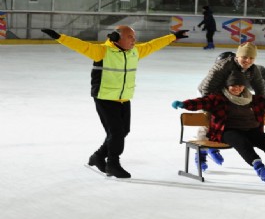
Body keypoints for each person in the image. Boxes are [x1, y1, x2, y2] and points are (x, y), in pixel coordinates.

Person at [41, 25, 188, 178]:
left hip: (124, 98)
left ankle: (98, 156)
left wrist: (173, 37)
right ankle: (113, 163)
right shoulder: (102, 52)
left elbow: (153, 45)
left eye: (134, 37)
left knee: (122, 131)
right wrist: (59, 37)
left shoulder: (135, 52)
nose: (134, 40)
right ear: (117, 38)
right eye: (130, 37)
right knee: (116, 132)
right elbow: (80, 45)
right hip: (105, 98)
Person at [172, 71, 265, 183]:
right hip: (227, 131)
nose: (237, 88)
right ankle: (260, 168)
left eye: (240, 85)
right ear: (227, 86)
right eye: (233, 85)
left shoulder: (252, 99)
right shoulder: (218, 98)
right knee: (242, 142)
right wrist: (183, 104)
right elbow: (201, 102)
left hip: (251, 129)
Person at [194, 42, 265, 171]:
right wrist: (208, 108)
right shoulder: (222, 67)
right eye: (244, 57)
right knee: (208, 122)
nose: (247, 60)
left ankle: (213, 146)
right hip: (211, 94)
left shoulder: (250, 69)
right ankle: (202, 153)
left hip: (231, 95)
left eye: (251, 58)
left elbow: (260, 88)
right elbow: (206, 88)